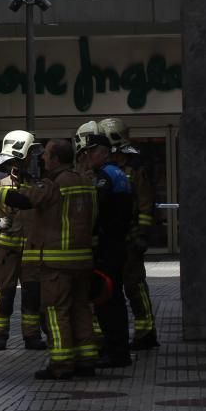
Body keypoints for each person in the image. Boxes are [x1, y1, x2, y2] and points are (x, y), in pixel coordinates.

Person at [0, 139, 98, 379]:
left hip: (57, 263)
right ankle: (87, 359)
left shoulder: (53, 183)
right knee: (81, 309)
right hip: (83, 260)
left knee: (56, 313)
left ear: (55, 158)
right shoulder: (85, 182)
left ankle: (61, 364)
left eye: (45, 154)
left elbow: (26, 200)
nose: (42, 158)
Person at [76, 120, 134, 368]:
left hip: (108, 246)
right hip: (117, 244)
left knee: (108, 300)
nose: (88, 157)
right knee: (114, 298)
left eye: (91, 153)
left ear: (102, 153)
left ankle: (116, 351)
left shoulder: (105, 177)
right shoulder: (118, 173)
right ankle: (117, 350)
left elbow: (96, 212)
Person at [99, 117, 160, 351]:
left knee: (134, 286)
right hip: (112, 239)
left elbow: (145, 205)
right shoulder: (104, 169)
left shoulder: (134, 170)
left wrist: (142, 234)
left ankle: (146, 332)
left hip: (130, 238)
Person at [0, 131, 47, 352]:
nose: (32, 158)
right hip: (5, 248)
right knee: (5, 292)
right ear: (20, 153)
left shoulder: (30, 180)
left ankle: (32, 336)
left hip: (29, 248)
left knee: (32, 293)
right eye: (29, 153)